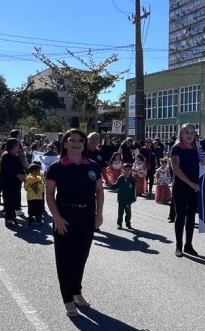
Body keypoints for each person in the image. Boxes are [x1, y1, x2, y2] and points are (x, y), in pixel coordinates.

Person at [45, 128, 104, 316]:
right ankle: (68, 299)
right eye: (72, 140)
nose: (76, 143)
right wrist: (57, 217)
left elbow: (99, 192)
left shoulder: (92, 166)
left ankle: (77, 291)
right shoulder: (56, 167)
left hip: (87, 218)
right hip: (64, 220)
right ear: (65, 143)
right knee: (65, 260)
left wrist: (99, 214)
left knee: (81, 257)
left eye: (80, 140)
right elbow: (49, 195)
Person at [170, 122, 203, 257]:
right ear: (181, 134)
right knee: (181, 216)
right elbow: (176, 169)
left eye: (192, 132)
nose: (189, 135)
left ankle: (188, 245)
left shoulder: (196, 147)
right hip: (181, 186)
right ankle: (178, 246)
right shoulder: (177, 148)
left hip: (194, 186)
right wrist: (191, 183)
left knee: (191, 217)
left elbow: (202, 163)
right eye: (186, 132)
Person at [0, 138, 26, 227]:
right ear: (13, 145)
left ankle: (13, 216)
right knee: (8, 200)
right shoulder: (6, 155)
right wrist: (18, 175)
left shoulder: (16, 155)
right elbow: (9, 169)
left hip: (16, 182)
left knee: (14, 199)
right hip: (7, 181)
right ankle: (8, 219)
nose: (19, 147)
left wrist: (24, 175)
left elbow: (20, 167)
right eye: (18, 145)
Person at [114, 163, 137, 229]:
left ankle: (128, 223)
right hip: (121, 198)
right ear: (122, 170)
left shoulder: (132, 180)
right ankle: (119, 224)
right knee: (120, 212)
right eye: (125, 169)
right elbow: (116, 185)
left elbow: (134, 189)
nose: (126, 171)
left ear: (130, 170)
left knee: (128, 213)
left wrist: (134, 198)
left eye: (128, 170)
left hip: (128, 199)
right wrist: (111, 184)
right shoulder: (120, 178)